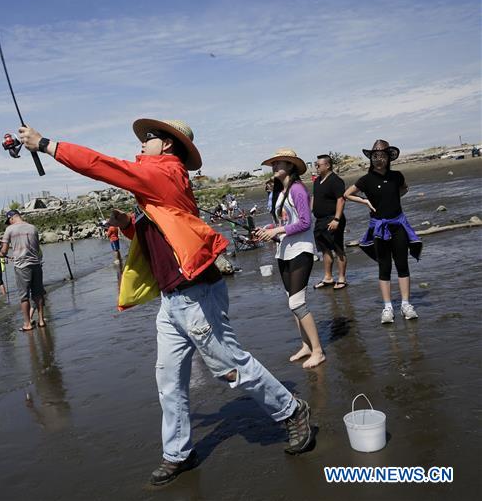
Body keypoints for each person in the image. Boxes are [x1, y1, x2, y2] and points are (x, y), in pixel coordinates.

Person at [17, 119, 315, 487]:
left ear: (169, 145)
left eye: (149, 138)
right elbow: (162, 232)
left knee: (230, 366)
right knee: (169, 380)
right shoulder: (159, 180)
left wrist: (45, 144)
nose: (141, 143)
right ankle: (178, 452)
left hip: (195, 293)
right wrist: (129, 224)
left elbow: (101, 165)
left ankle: (291, 410)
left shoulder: (166, 172)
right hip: (172, 298)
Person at [255, 149, 325, 370]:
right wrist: (267, 229)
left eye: (279, 163)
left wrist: (277, 231)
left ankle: (318, 351)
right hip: (284, 251)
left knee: (297, 302)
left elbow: (305, 222)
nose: (275, 167)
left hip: (301, 250)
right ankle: (306, 346)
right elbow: (284, 222)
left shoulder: (297, 189)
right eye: (273, 164)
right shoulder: (280, 191)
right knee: (291, 301)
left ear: (291, 166)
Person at [344, 140, 422, 324]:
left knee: (402, 264)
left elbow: (404, 188)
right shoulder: (366, 179)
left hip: (398, 225)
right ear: (371, 158)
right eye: (375, 156)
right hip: (379, 228)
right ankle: (387, 307)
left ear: (389, 158)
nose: (379, 159)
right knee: (384, 267)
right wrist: (365, 201)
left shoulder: (397, 176)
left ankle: (405, 304)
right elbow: (347, 194)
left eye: (382, 156)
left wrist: (394, 197)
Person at [0, 210, 45, 331]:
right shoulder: (33, 228)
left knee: (24, 296)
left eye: (9, 221)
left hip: (22, 267)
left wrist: (1, 254)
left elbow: (4, 251)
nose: (9, 223)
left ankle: (27, 324)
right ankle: (41, 321)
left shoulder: (9, 229)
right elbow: (36, 248)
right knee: (38, 294)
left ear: (11, 218)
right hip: (36, 264)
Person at [311, 154, 348, 290]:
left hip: (333, 218)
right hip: (320, 220)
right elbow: (314, 197)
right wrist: (310, 211)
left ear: (327, 165)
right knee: (324, 249)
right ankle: (328, 278)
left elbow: (341, 200)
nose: (316, 167)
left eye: (318, 165)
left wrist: (336, 219)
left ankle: (342, 278)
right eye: (315, 165)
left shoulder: (335, 180)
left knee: (338, 249)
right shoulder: (317, 181)